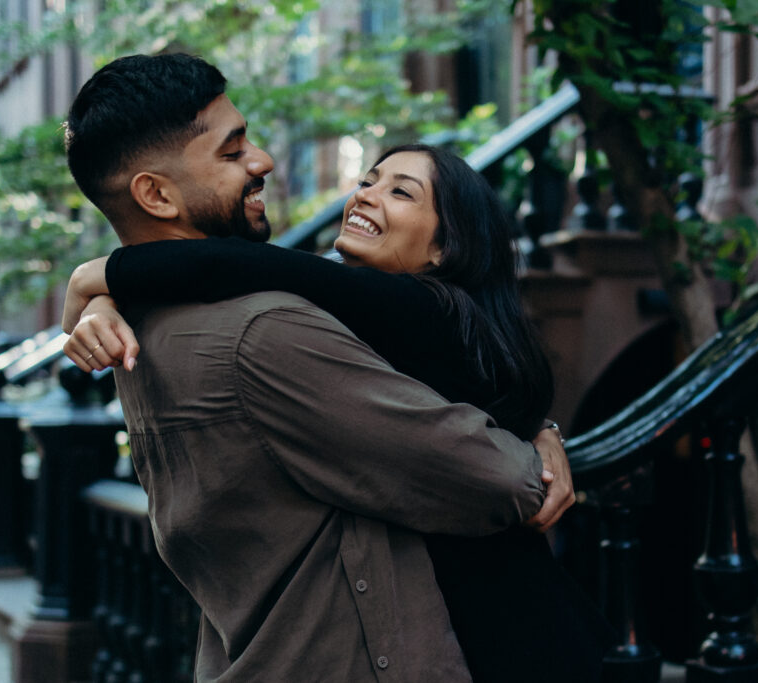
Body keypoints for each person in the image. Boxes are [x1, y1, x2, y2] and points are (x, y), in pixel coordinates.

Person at [63, 53, 589, 683]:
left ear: (447, 246)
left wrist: (106, 278)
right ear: (154, 193)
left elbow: (262, 268)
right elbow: (506, 479)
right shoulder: (268, 333)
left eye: (402, 191)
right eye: (233, 153)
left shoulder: (148, 335)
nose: (262, 161)